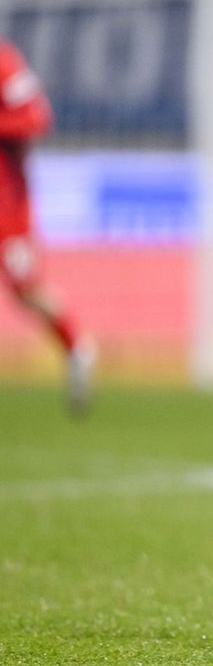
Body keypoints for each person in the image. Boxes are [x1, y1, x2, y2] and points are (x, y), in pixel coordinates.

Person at [0, 38, 94, 415]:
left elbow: (36, 118)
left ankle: (77, 348)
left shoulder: (5, 65)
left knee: (25, 289)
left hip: (6, 203)